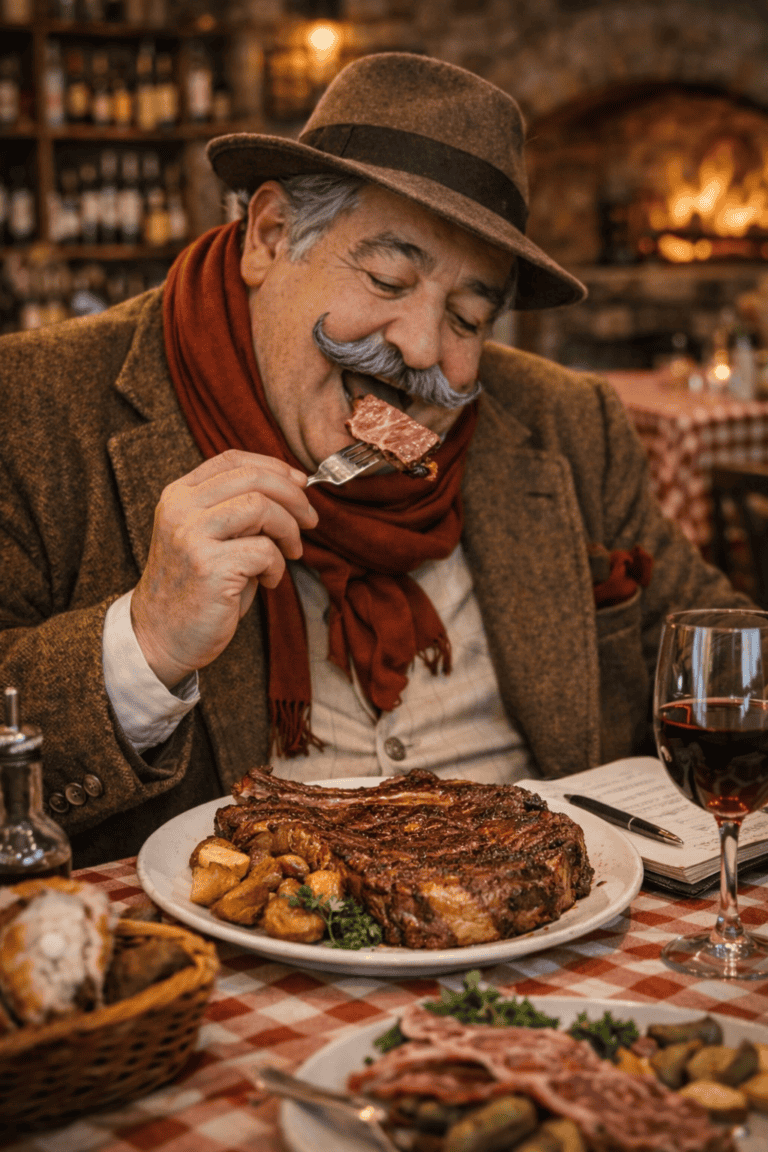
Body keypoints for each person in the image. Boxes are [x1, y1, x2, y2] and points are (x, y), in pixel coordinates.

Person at [0, 53, 747, 867]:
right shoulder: (34, 405)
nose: (422, 347)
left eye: (467, 318)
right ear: (271, 236)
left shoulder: (570, 423)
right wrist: (142, 642)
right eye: (390, 278)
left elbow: (729, 662)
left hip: (556, 939)